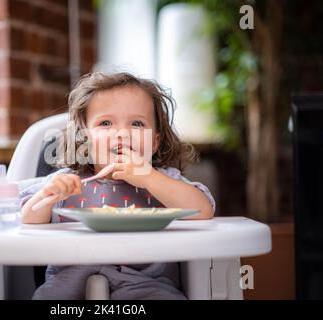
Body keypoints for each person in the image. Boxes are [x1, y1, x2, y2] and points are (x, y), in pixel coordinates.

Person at [20, 72, 216, 300]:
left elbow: (203, 210)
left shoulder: (163, 180)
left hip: (147, 286)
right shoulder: (67, 181)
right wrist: (49, 195)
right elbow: (27, 220)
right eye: (105, 123)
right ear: (84, 138)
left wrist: (149, 178)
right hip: (68, 286)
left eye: (137, 124)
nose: (122, 133)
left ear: (154, 142)